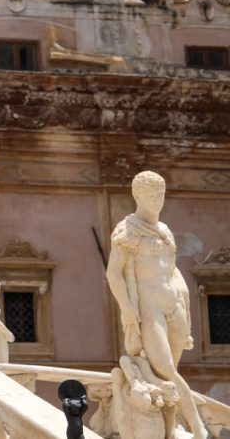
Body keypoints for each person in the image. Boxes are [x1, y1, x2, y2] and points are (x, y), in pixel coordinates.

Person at [106, 171, 208, 439]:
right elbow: (113, 273)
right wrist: (127, 308)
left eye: (160, 195)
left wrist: (185, 308)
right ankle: (198, 427)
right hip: (149, 312)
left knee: (165, 378)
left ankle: (169, 428)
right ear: (136, 196)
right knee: (166, 370)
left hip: (174, 309)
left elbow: (172, 270)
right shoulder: (127, 230)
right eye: (150, 195)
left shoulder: (164, 231)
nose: (156, 200)